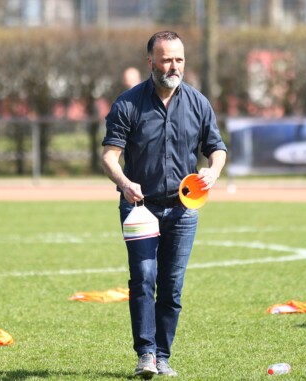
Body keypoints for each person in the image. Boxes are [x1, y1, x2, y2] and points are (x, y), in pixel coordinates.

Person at [101, 31, 227, 379]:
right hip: (139, 207)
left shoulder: (198, 103)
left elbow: (217, 148)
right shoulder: (128, 104)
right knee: (143, 278)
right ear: (151, 62)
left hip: (184, 210)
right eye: (167, 59)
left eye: (179, 59)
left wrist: (213, 170)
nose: (174, 66)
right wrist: (124, 183)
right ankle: (145, 355)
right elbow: (110, 156)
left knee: (171, 286)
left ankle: (163, 356)